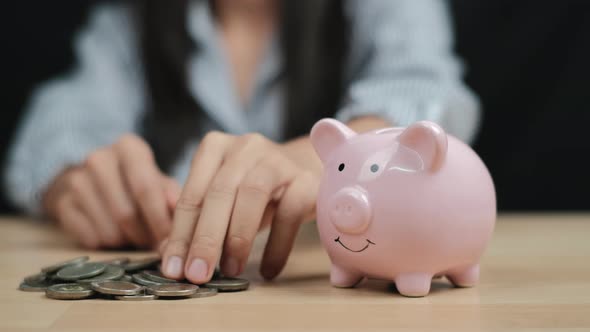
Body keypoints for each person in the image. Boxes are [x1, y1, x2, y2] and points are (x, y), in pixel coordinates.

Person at [3, 0, 479, 284]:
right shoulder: (130, 21)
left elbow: (429, 88)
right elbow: (62, 120)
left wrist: (332, 160)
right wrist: (73, 180)